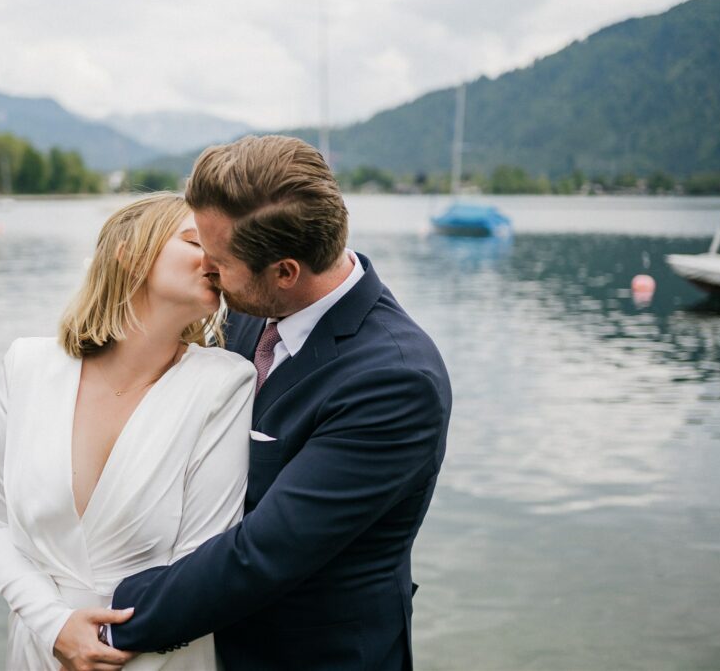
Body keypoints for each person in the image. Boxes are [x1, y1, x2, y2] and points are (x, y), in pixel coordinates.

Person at [63, 135, 452, 671]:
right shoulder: (250, 306)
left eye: (217, 259)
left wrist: (102, 614)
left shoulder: (395, 379)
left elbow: (265, 552)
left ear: (285, 272)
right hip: (212, 645)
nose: (207, 268)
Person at [0, 193, 257, 670]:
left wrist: (104, 642)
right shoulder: (26, 365)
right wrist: (54, 626)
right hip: (40, 647)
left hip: (156, 653)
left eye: (221, 246)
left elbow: (202, 563)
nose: (218, 257)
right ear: (130, 252)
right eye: (194, 240)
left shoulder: (225, 383)